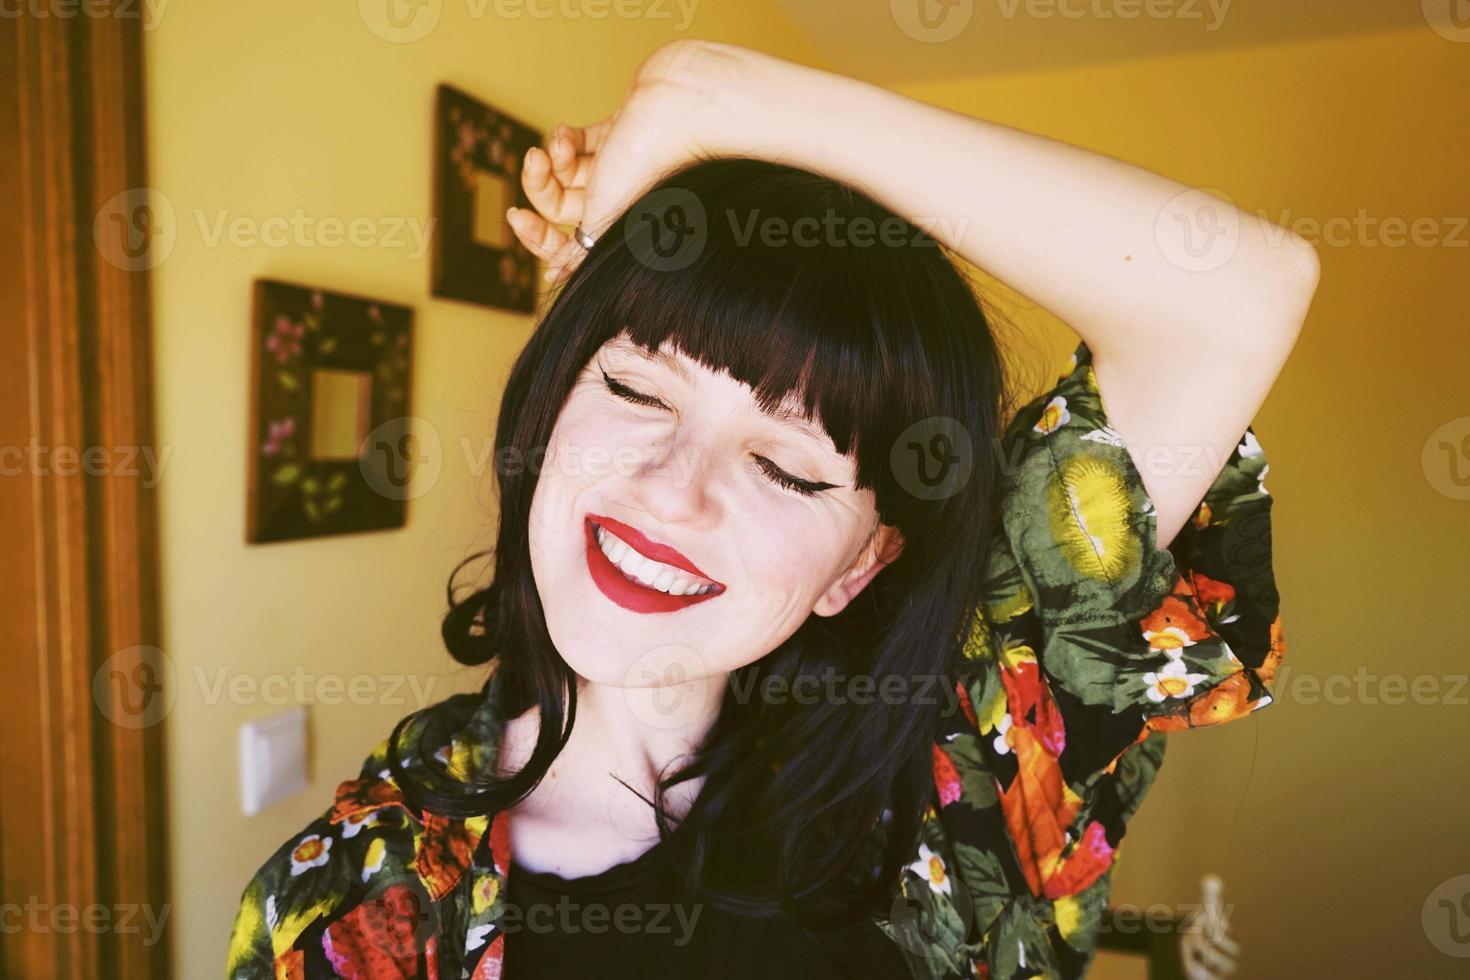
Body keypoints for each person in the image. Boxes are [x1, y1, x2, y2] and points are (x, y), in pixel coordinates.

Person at [227, 39, 1317, 979]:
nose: (672, 488)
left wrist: (719, 100)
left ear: (863, 559)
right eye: (636, 389)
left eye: (787, 467)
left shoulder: (965, 743)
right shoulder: (356, 898)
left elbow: (1234, 296)